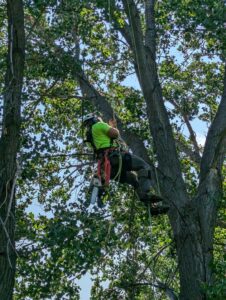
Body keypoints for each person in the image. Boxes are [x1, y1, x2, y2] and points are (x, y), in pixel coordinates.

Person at [83, 113, 167, 214]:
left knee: (133, 179)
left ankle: (151, 207)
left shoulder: (88, 137)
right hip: (115, 158)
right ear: (94, 119)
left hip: (108, 169)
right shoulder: (99, 125)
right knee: (144, 166)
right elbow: (115, 134)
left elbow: (101, 146)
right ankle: (146, 193)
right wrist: (112, 127)